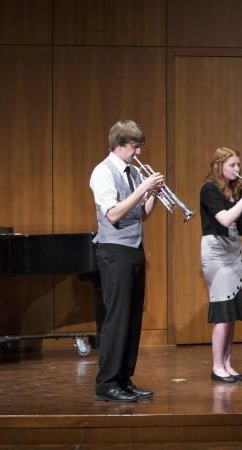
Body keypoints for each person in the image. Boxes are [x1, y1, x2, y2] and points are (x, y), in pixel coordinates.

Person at [89, 120, 164, 402]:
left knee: (132, 318)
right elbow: (113, 215)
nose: (138, 153)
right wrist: (142, 187)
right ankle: (106, 382)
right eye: (135, 147)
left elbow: (139, 215)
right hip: (113, 251)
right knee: (117, 318)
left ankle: (124, 378)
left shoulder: (132, 171)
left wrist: (152, 196)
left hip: (134, 248)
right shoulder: (102, 172)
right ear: (120, 145)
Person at [199, 147, 242, 382]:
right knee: (222, 312)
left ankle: (227, 363)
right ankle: (217, 367)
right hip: (216, 252)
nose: (237, 169)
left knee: (232, 312)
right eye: (232, 165)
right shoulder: (210, 190)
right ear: (219, 166)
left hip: (234, 252)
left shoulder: (236, 192)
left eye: (238, 165)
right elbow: (225, 219)